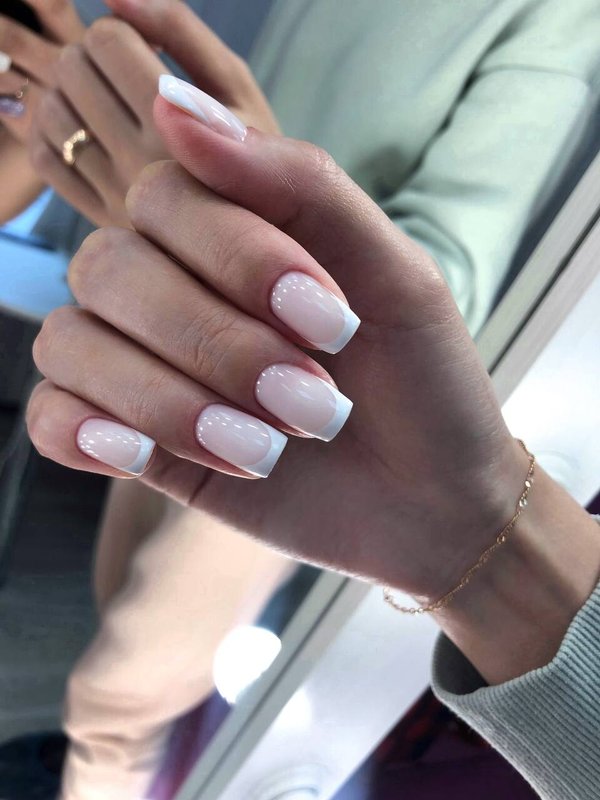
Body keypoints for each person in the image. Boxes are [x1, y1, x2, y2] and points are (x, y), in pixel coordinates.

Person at [3, 0, 599, 796]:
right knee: (116, 605)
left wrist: (231, 208)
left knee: (117, 693)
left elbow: (449, 280)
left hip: (323, 411)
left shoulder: (556, 14)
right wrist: (153, 186)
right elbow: (234, 129)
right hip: (192, 348)